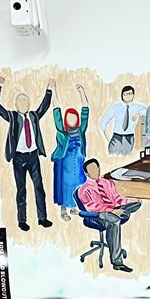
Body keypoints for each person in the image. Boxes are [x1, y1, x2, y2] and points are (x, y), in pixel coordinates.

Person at [0, 74, 54, 231]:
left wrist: (49, 90)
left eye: (25, 101)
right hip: (18, 158)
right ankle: (22, 221)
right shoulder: (12, 117)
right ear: (15, 104)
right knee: (21, 189)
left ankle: (42, 218)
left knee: (39, 187)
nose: (23, 104)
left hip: (33, 156)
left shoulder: (33, 116)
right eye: (20, 101)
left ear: (29, 103)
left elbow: (44, 107)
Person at [76, 158, 142, 272]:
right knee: (114, 221)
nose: (95, 172)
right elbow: (92, 207)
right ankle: (117, 262)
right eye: (91, 170)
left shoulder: (108, 183)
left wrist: (129, 201)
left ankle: (120, 213)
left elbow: (118, 198)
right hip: (98, 215)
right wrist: (111, 210)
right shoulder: (83, 189)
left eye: (96, 168)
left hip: (114, 210)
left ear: (99, 168)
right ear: (86, 173)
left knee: (136, 203)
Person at [51, 84, 89, 220]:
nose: (72, 119)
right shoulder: (62, 131)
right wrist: (54, 90)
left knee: (78, 182)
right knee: (65, 184)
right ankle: (63, 209)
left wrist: (82, 92)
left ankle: (73, 207)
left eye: (74, 117)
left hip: (78, 162)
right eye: (69, 117)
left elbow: (85, 110)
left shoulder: (81, 129)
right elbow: (56, 112)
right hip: (65, 161)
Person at [99, 85, 146, 156]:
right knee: (113, 158)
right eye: (125, 94)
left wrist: (138, 114)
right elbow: (104, 122)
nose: (128, 96)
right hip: (116, 138)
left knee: (125, 159)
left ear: (133, 95)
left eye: (130, 93)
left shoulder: (137, 107)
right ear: (122, 95)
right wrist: (108, 137)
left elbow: (147, 111)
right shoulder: (116, 107)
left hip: (129, 138)